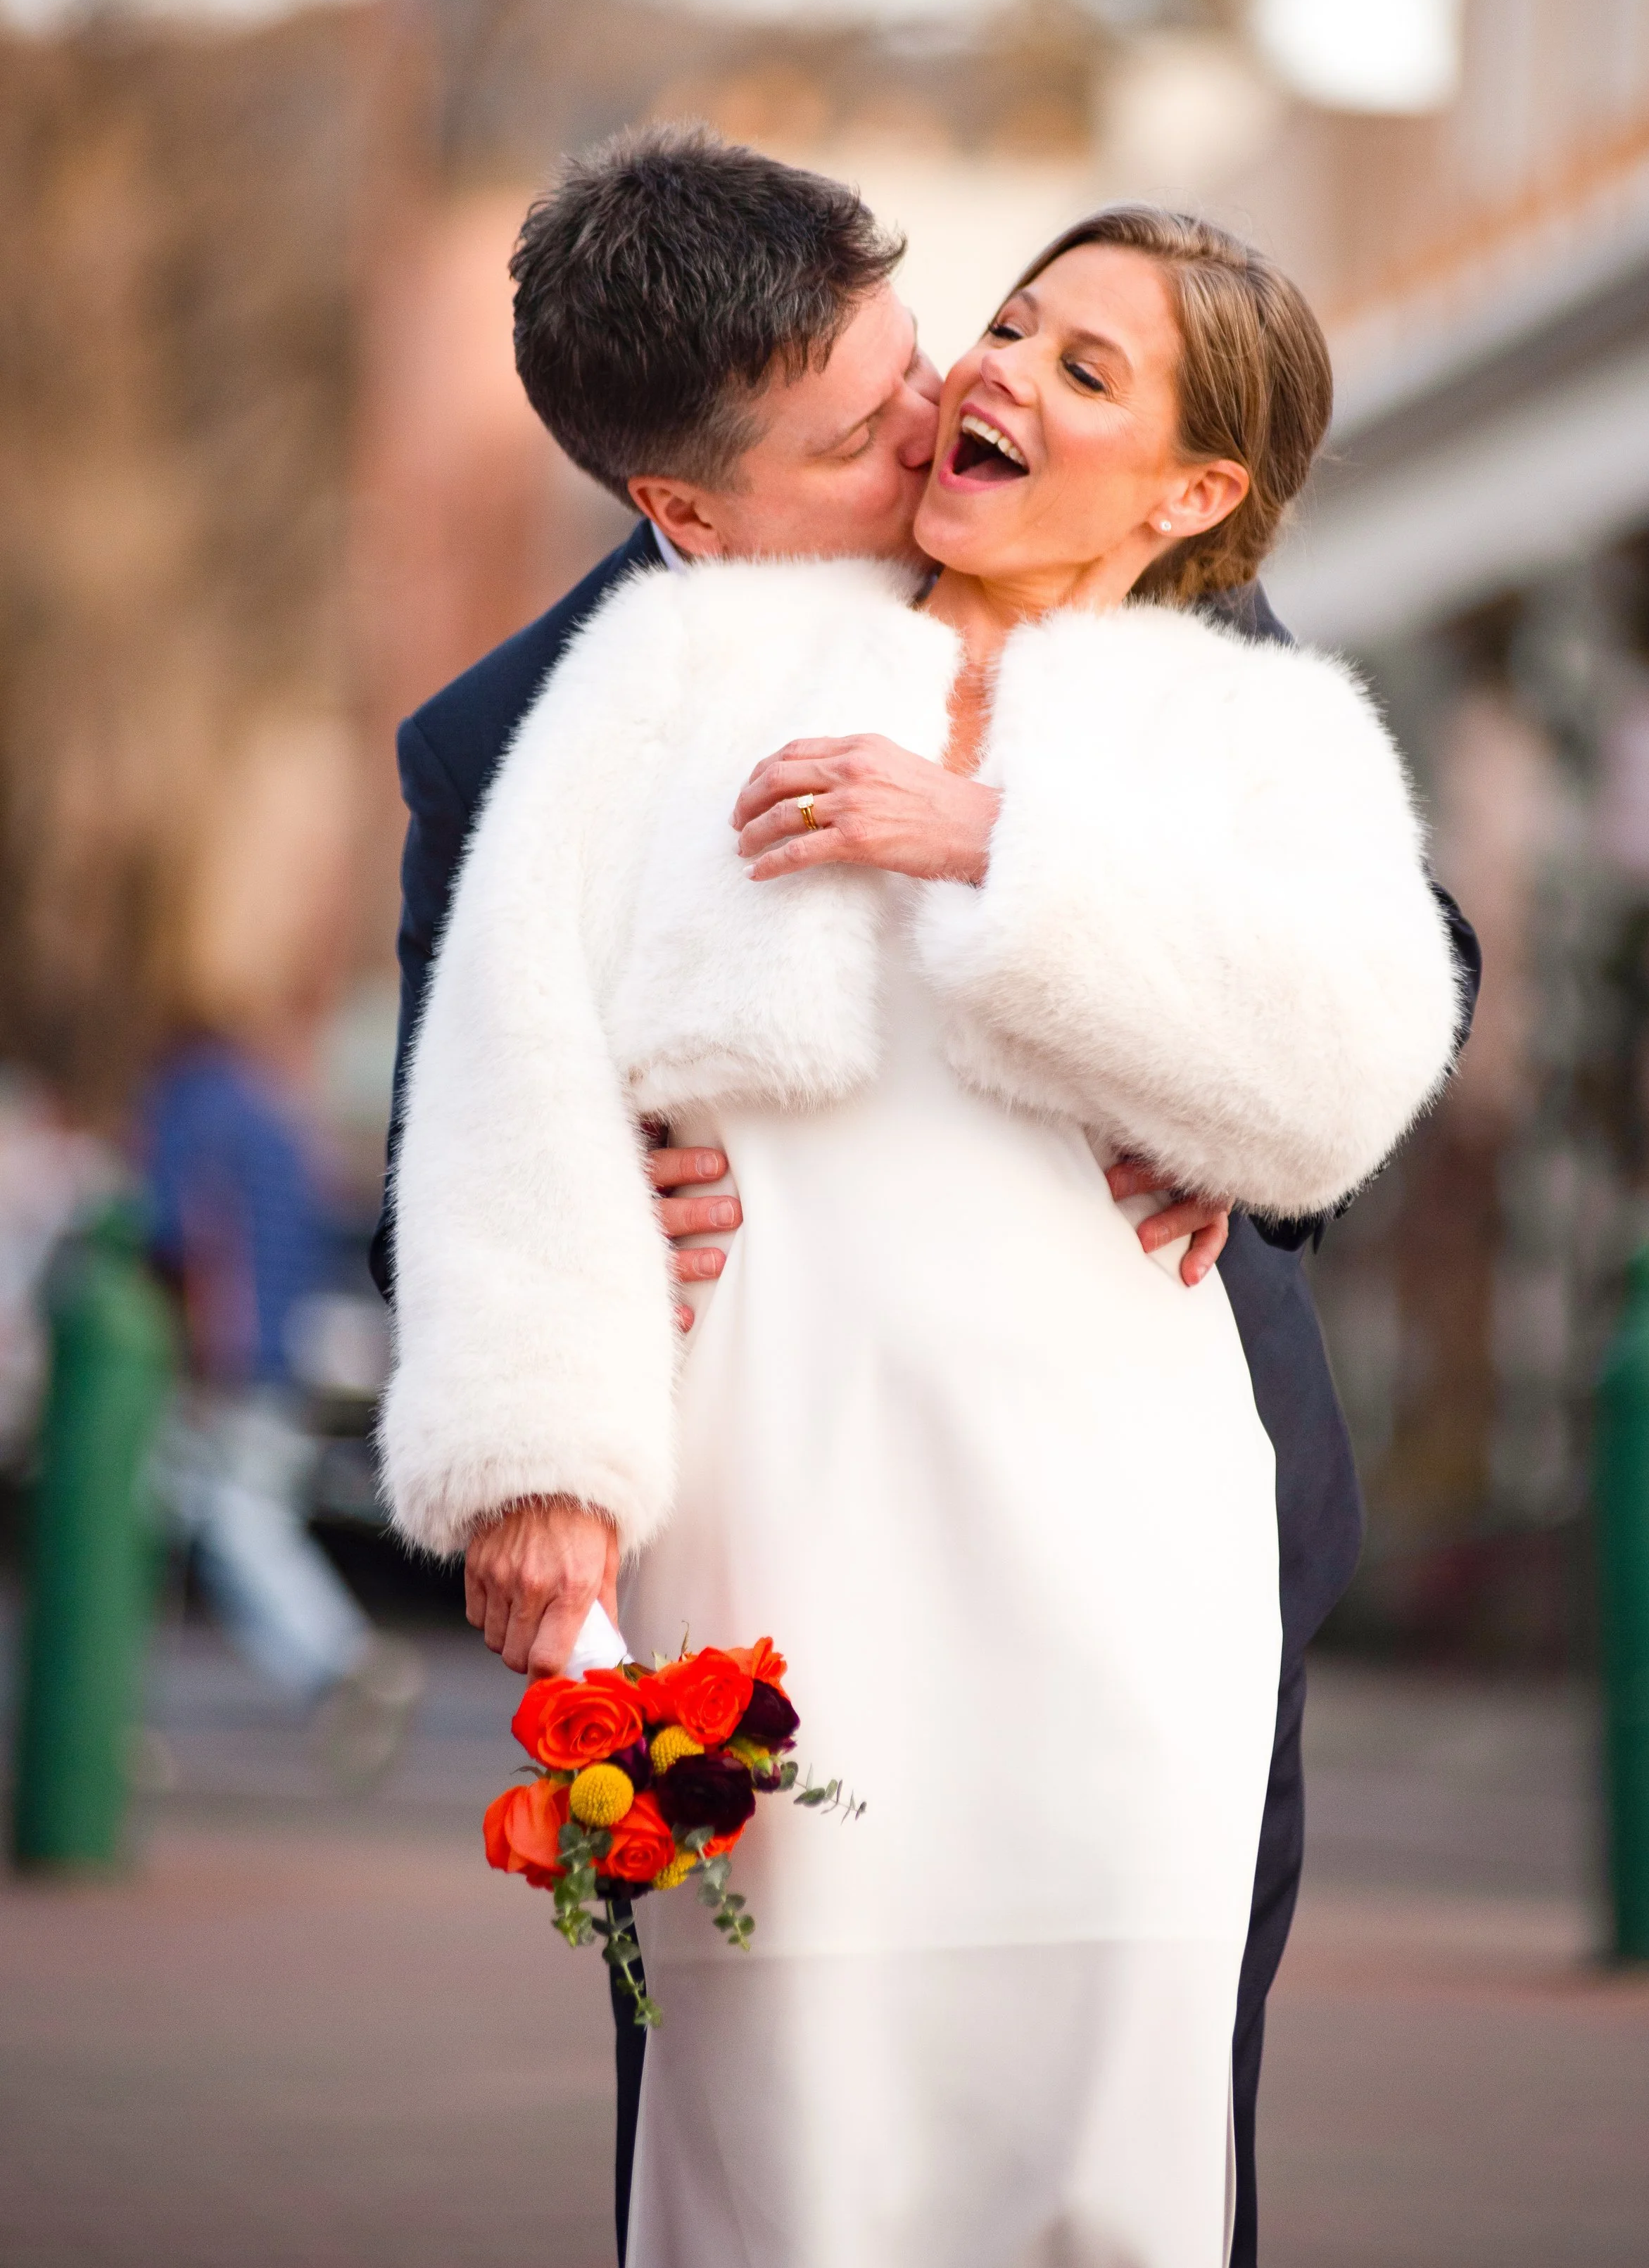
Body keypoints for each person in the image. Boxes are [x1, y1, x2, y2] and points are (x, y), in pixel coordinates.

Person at [378, 141, 1467, 2264]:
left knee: (1126, 2142)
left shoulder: (1170, 618)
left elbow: (1372, 989)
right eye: (858, 424)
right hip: (778, 1525)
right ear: (688, 507)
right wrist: (556, 1366)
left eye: (930, 349)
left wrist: (1163, 1047)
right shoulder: (560, 715)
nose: (945, 406)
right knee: (781, 2134)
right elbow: (482, 1108)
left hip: (1147, 1535)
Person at [143, 1035, 421, 1785]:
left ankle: (338, 1661)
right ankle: (340, 1659)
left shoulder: (189, 1101)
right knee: (239, 1516)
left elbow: (182, 1232)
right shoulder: (275, 1112)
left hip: (216, 1357)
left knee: (191, 1521)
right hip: (281, 1351)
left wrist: (202, 1352)